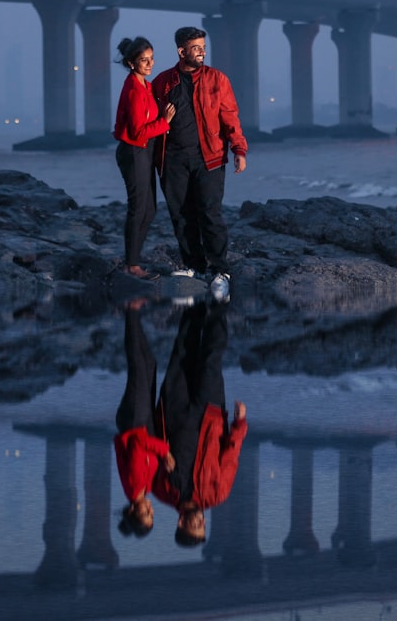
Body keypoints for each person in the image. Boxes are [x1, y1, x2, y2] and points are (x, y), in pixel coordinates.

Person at [151, 26, 247, 300]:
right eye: (196, 48)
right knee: (181, 215)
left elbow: (230, 117)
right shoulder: (162, 82)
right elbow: (152, 121)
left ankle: (220, 270)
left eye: (203, 47)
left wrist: (239, 149)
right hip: (172, 160)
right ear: (182, 51)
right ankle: (193, 265)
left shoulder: (218, 80)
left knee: (210, 213)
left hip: (210, 157)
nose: (202, 51)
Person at [152, 301, 247, 547]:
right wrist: (239, 424)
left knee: (182, 351)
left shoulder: (161, 491)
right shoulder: (218, 494)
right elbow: (230, 456)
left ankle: (192, 300)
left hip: (172, 411)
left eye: (195, 527)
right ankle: (219, 300)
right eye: (202, 526)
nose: (200, 522)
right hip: (209, 414)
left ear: (181, 524)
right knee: (211, 359)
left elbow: (147, 452)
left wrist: (163, 457)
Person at [113, 36, 175, 280]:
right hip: (134, 151)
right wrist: (165, 123)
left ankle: (134, 261)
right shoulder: (134, 91)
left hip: (144, 151)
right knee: (138, 209)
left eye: (151, 59)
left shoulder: (145, 86)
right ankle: (131, 265)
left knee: (149, 210)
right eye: (143, 60)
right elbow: (138, 131)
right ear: (131, 63)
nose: (149, 64)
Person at [114, 299, 175, 537]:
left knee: (138, 368)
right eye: (152, 514)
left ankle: (131, 309)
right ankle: (135, 313)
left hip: (133, 423)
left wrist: (165, 452)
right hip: (142, 424)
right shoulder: (145, 488)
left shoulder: (134, 483)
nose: (151, 509)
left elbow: (139, 446)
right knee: (149, 365)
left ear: (132, 511)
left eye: (145, 513)